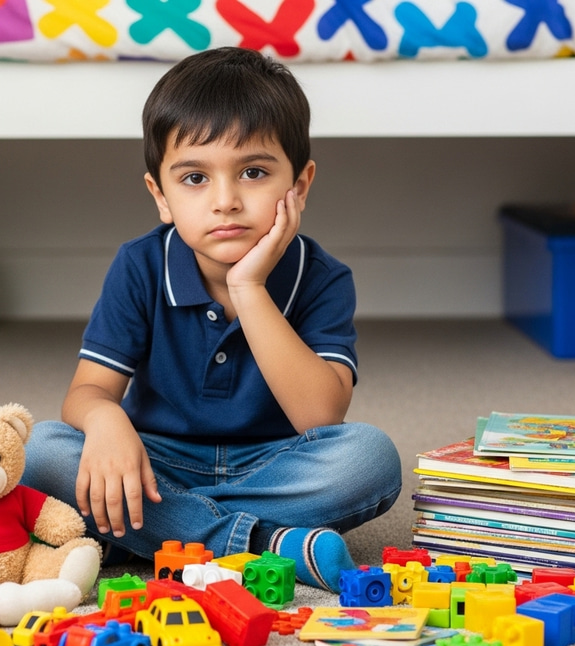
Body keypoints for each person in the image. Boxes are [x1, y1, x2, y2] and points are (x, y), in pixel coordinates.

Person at [22, 46, 402, 592]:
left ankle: (147, 532)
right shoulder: (141, 264)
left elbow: (321, 417)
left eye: (252, 172)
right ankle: (260, 545)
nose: (225, 201)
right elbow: (87, 392)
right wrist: (107, 424)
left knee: (370, 458)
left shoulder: (322, 276)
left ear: (300, 185)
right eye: (195, 178)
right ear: (161, 195)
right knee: (43, 450)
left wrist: (248, 287)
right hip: (155, 461)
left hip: (273, 464)